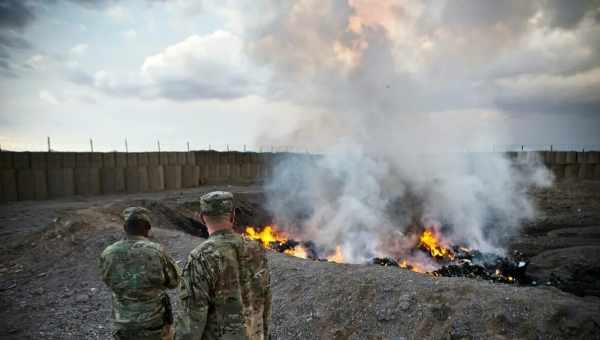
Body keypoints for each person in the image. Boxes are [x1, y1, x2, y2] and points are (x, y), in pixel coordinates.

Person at [176, 191, 271, 340]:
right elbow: (265, 302)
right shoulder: (257, 250)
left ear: (202, 218)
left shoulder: (200, 257)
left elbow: (192, 320)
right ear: (233, 216)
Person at [99, 207, 181, 340]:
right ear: (148, 227)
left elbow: (107, 279)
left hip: (122, 324)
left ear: (125, 227)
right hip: (154, 324)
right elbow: (174, 281)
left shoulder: (108, 253)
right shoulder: (157, 251)